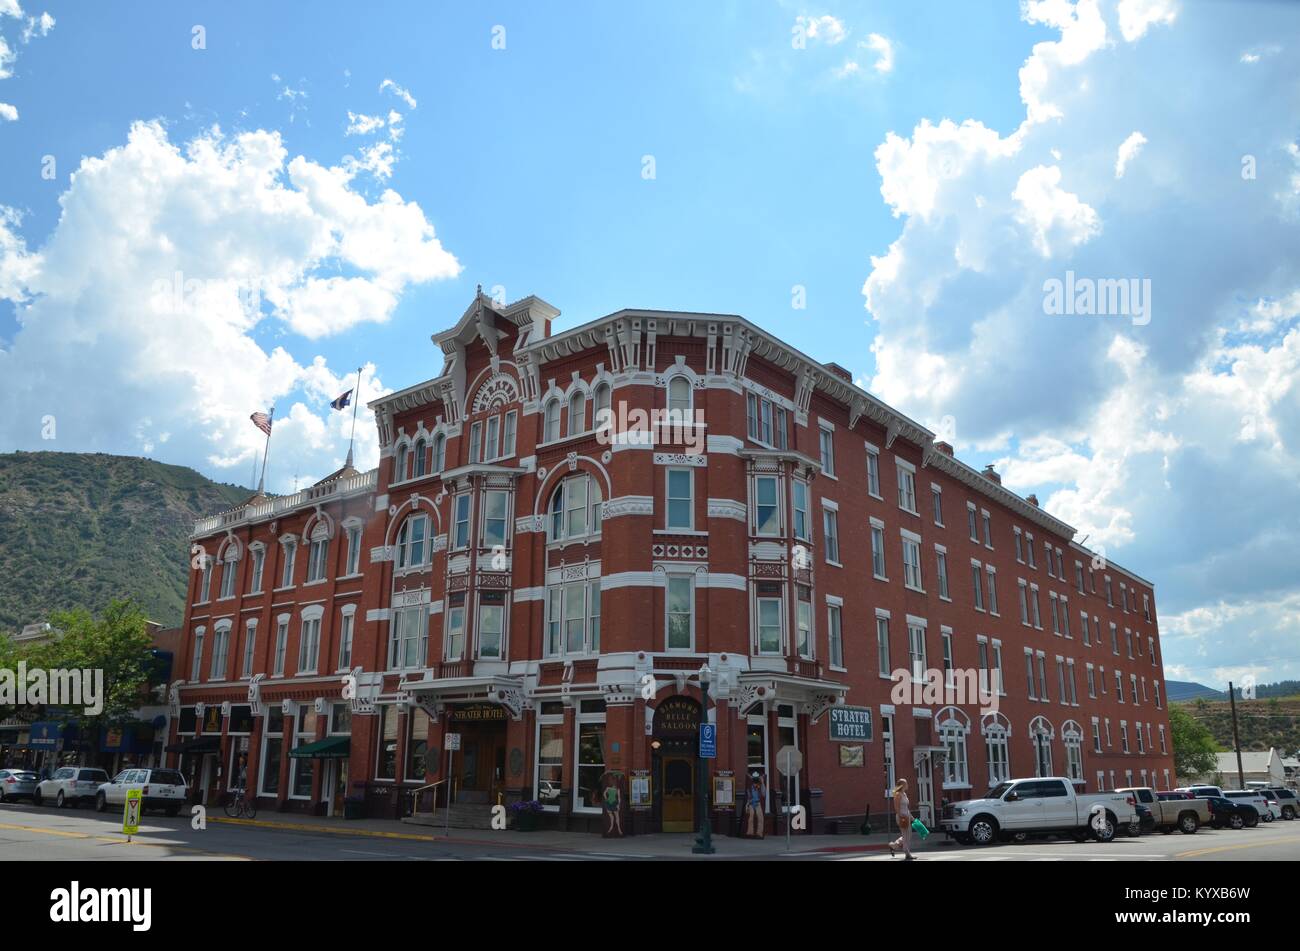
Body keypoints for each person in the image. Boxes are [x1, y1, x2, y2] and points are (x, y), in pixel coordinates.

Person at [888, 779, 916, 860]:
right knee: (906, 835)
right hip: (902, 817)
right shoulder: (898, 794)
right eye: (906, 783)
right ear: (902, 785)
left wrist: (911, 817)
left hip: (907, 816)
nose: (907, 785)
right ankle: (907, 854)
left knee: (908, 835)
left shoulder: (904, 794)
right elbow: (896, 807)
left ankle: (894, 845)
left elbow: (906, 808)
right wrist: (901, 817)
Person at [744, 772, 766, 838]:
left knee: (760, 818)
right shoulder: (749, 786)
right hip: (751, 803)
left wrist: (762, 783)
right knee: (750, 817)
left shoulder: (760, 786)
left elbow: (764, 794)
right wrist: (747, 805)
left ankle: (759, 834)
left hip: (757, 803)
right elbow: (748, 796)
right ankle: (750, 833)